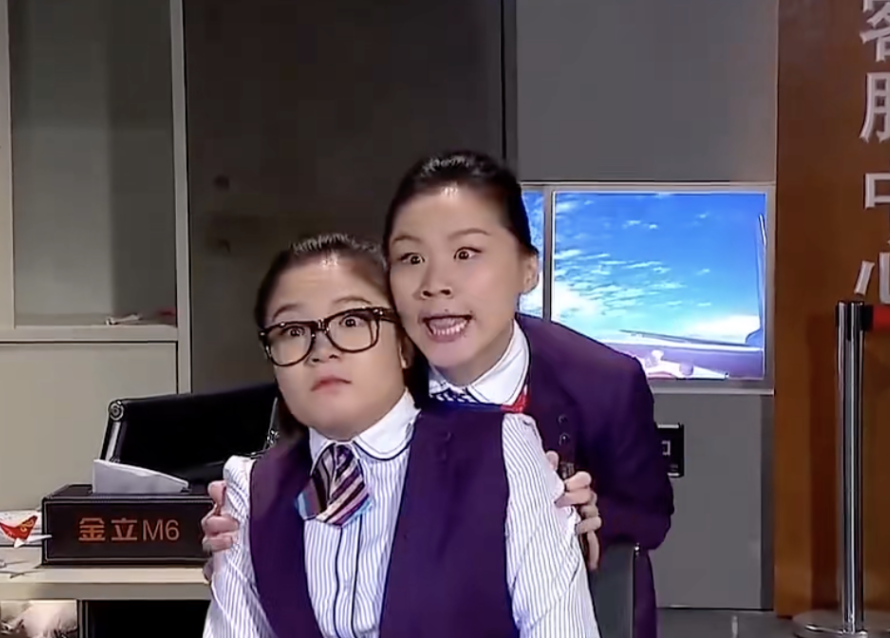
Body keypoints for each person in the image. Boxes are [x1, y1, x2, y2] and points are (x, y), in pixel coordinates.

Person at [204, 150, 674, 638]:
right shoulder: (364, 375)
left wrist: (586, 515)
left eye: (466, 254)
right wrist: (250, 535)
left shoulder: (602, 382)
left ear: (527, 269)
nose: (436, 285)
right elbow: (308, 494)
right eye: (411, 259)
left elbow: (650, 516)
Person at [204, 232, 598, 638]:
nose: (321, 349)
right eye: (291, 330)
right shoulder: (252, 489)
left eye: (351, 321)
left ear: (404, 344)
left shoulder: (502, 451)